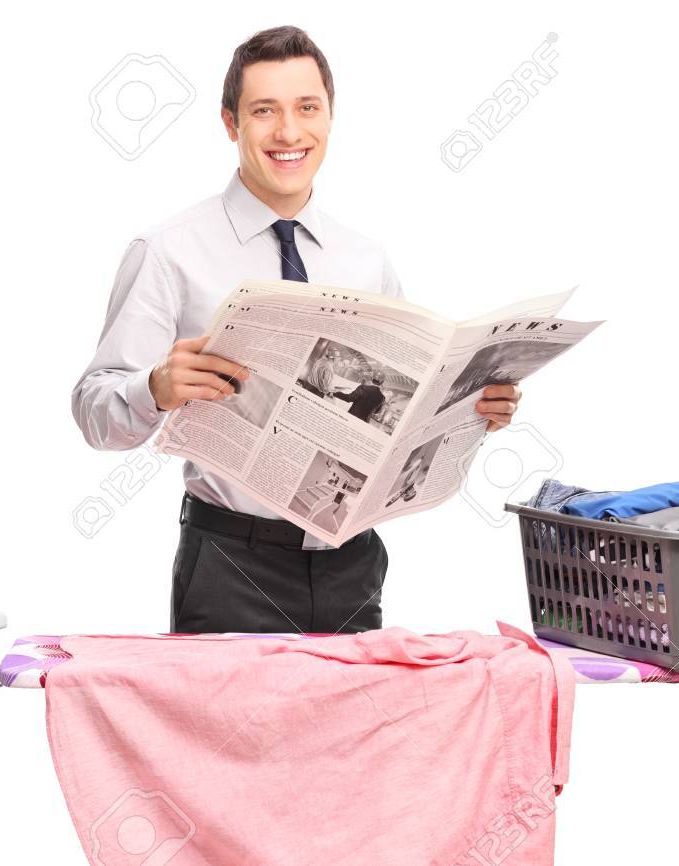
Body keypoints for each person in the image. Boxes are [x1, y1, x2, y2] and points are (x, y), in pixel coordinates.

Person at [72, 26, 522, 636]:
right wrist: (155, 386)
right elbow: (94, 411)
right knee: (228, 735)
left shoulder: (366, 260)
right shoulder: (167, 253)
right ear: (231, 123)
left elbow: (397, 419)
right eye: (265, 111)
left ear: (330, 117)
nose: (289, 133)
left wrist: (471, 410)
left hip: (353, 565)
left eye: (307, 108)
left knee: (354, 734)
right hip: (231, 564)